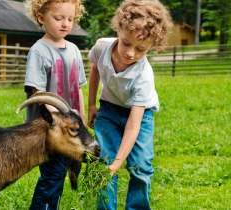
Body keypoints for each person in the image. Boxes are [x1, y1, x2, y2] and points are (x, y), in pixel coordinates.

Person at [88, 0, 173, 209]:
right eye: (126, 42)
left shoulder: (144, 76)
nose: (130, 53)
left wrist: (120, 163)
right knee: (105, 163)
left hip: (141, 116)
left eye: (141, 49)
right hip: (108, 108)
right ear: (119, 28)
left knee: (140, 166)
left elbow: (133, 126)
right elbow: (95, 69)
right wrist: (91, 105)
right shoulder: (101, 47)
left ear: (152, 46)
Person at [24, 0, 86, 209]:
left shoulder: (74, 50)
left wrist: (82, 120)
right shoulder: (39, 51)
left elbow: (78, 89)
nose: (65, 24)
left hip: (70, 128)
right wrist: (61, 121)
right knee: (52, 176)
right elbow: (39, 94)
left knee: (58, 176)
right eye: (58, 18)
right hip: (49, 130)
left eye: (70, 19)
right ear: (42, 18)